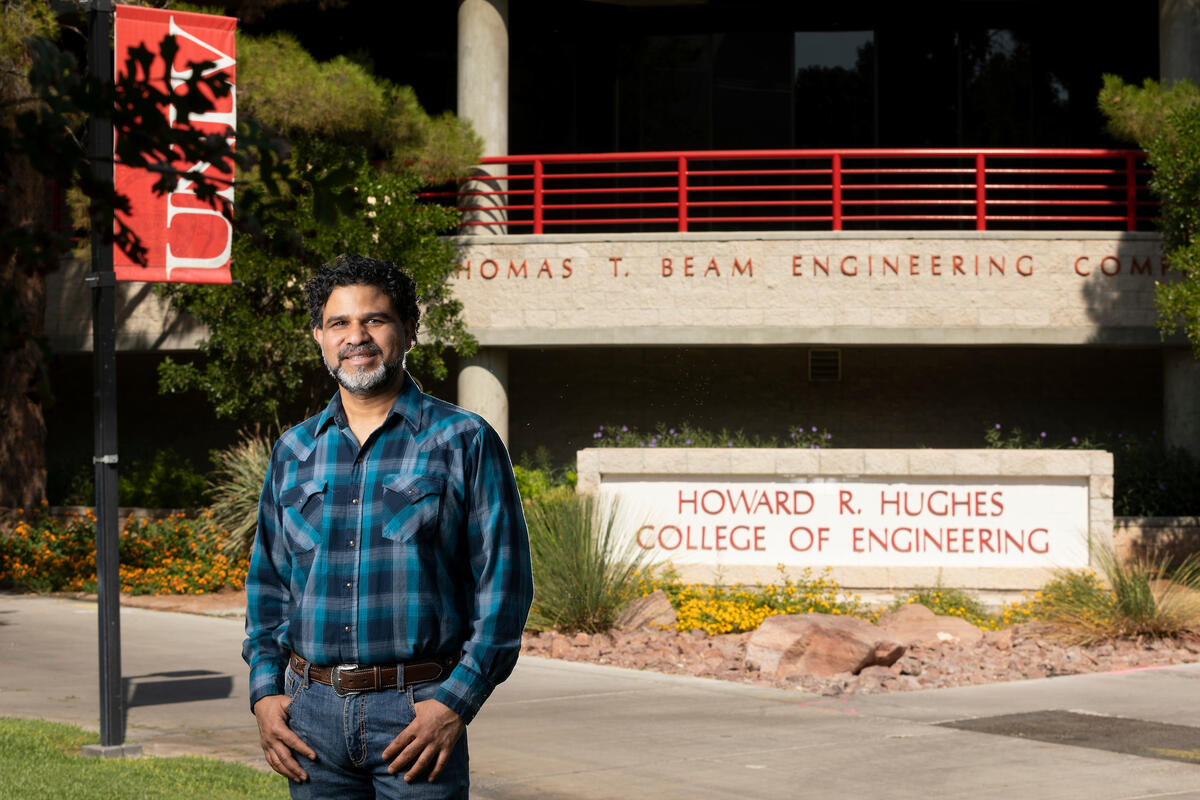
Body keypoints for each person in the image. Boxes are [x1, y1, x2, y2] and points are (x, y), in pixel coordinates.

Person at [242, 254, 533, 799]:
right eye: (340, 324)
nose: (357, 337)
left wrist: (455, 702)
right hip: (311, 717)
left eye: (374, 320)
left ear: (408, 330)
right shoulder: (294, 450)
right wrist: (264, 692)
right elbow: (269, 587)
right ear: (320, 337)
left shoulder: (463, 440)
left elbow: (505, 587)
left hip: (417, 713)